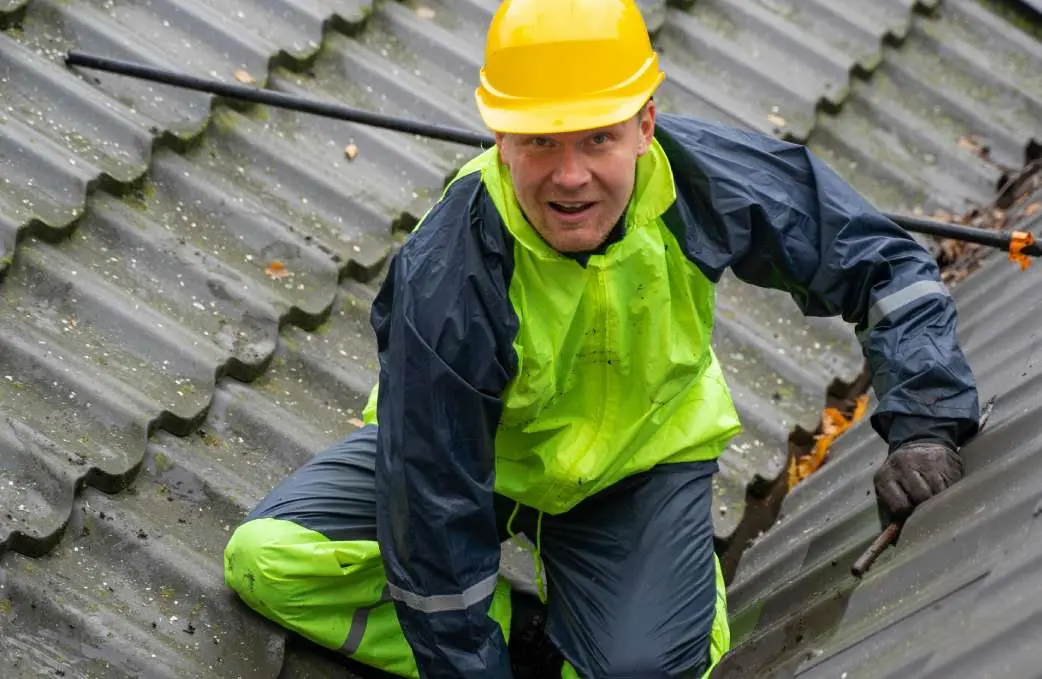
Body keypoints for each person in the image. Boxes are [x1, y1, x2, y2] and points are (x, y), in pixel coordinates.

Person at [222, 1, 981, 677]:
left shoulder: (700, 181)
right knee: (269, 560)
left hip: (635, 468)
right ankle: (529, 639)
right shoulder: (450, 273)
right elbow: (432, 503)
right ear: (501, 136)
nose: (571, 175)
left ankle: (658, 608)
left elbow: (881, 262)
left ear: (645, 125)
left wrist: (924, 420)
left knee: (648, 668)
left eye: (597, 138)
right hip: (478, 465)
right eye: (542, 143)